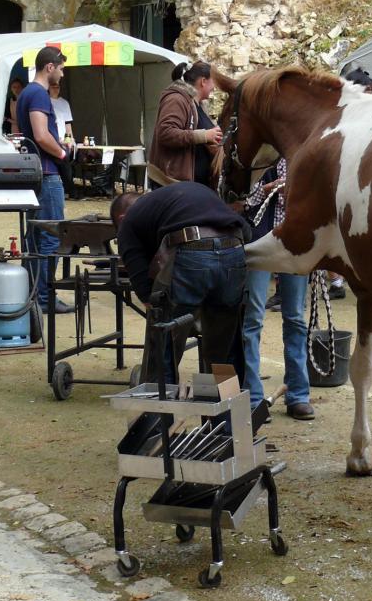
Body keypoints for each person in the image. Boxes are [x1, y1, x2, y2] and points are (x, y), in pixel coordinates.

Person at [111, 182, 250, 383]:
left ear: (121, 219)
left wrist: (163, 303)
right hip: (234, 248)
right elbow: (245, 231)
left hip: (191, 250)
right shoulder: (185, 195)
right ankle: (223, 408)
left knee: (163, 337)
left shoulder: (129, 222)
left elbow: (144, 287)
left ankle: (159, 406)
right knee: (224, 347)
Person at [241, 158, 312, 420]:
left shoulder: (308, 153)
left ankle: (298, 395)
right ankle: (253, 398)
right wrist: (268, 188)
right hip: (261, 242)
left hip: (294, 243)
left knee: (295, 318)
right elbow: (242, 201)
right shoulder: (262, 155)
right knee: (252, 320)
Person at [16, 46, 73, 315]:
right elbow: (40, 135)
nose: (62, 75)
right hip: (46, 173)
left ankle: (30, 295)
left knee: (34, 238)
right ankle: (45, 299)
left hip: (33, 172)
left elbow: (25, 135)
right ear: (49, 67)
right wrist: (62, 152)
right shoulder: (38, 93)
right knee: (50, 237)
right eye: (61, 68)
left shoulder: (26, 93)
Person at [146, 61, 222, 190]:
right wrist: (204, 135)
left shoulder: (198, 105)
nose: (215, 87)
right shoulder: (176, 99)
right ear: (203, 81)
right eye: (213, 82)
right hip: (171, 185)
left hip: (193, 186)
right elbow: (166, 133)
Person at [47, 81, 76, 195]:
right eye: (53, 87)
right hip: (51, 138)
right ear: (49, 88)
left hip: (64, 140)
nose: (55, 89)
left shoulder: (64, 103)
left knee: (65, 160)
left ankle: (68, 188)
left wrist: (70, 140)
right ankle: (68, 188)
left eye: (57, 87)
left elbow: (68, 125)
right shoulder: (46, 101)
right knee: (61, 161)